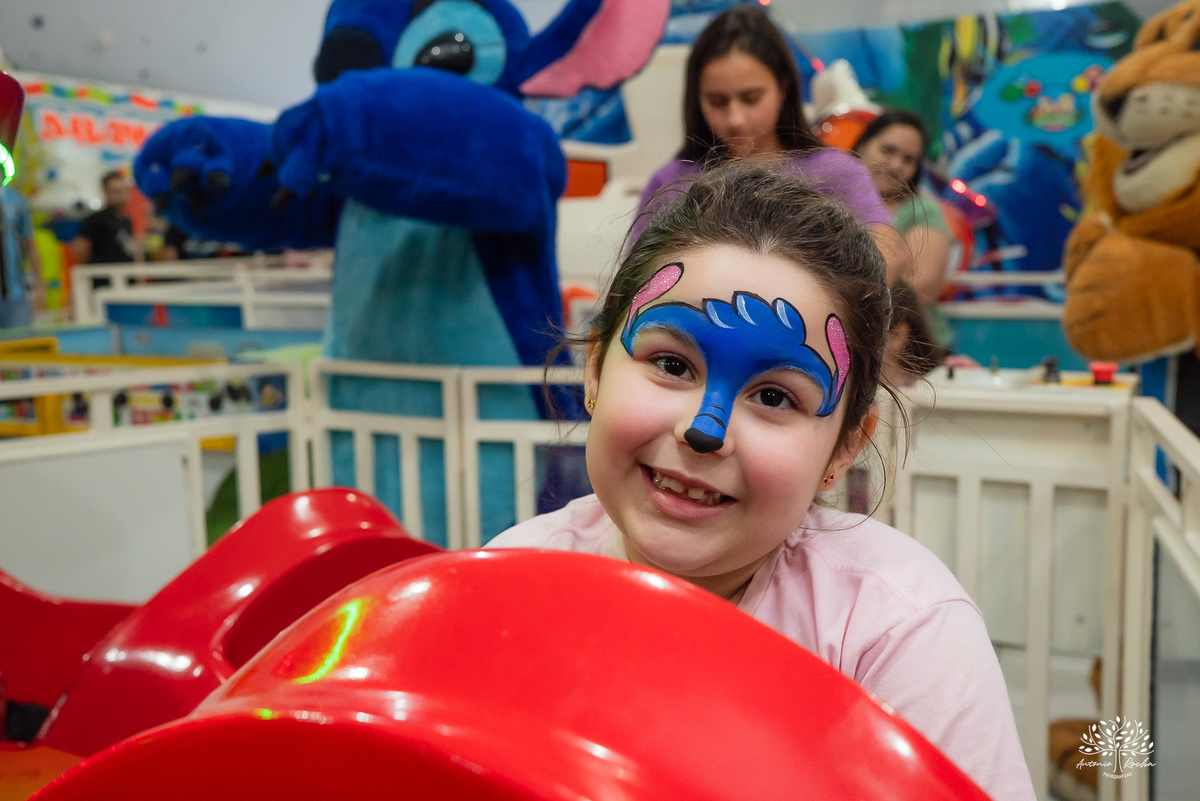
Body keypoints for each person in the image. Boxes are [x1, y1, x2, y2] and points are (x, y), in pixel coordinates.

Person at [488, 164, 1034, 801]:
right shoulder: (511, 587)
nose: (704, 430)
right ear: (595, 370)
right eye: (670, 363)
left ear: (845, 447)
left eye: (775, 396)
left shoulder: (895, 635)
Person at [635, 6, 907, 279]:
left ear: (784, 87)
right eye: (717, 101)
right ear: (697, 99)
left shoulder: (835, 172)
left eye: (751, 98)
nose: (735, 119)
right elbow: (635, 280)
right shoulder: (671, 181)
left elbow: (888, 258)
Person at [853, 109, 954, 350]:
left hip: (909, 352)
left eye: (908, 160)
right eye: (888, 151)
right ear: (862, 145)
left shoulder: (922, 210)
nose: (896, 165)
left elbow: (920, 288)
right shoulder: (831, 201)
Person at [72, 171, 137, 270]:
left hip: (125, 278)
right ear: (106, 192)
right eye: (116, 191)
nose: (122, 196)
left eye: (124, 191)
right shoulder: (95, 220)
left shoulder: (127, 221)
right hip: (104, 279)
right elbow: (81, 249)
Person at [0, 184, 42, 328]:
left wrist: (39, 285)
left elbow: (29, 243)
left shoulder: (16, 201)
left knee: (18, 341)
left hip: (15, 291)